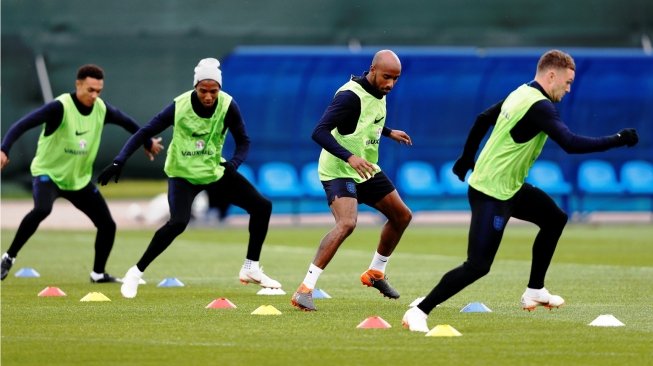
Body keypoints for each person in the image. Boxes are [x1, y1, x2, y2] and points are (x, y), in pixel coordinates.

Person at [402, 49, 639, 332]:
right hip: (491, 192)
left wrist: (467, 158)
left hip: (509, 187)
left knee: (555, 219)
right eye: (568, 82)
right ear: (552, 75)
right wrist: (618, 138)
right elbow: (571, 143)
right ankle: (420, 310)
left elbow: (482, 118)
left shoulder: (520, 93)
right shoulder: (539, 106)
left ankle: (535, 290)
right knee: (478, 266)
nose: (569, 88)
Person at [96, 57, 282, 298]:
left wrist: (234, 164)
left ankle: (251, 268)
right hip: (182, 174)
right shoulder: (179, 105)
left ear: (219, 89)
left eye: (213, 91)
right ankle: (135, 272)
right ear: (195, 87)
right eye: (203, 90)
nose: (208, 96)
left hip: (213, 171)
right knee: (178, 223)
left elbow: (243, 141)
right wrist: (119, 161)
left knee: (262, 207)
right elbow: (145, 132)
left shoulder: (227, 105)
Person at [0, 64, 164, 282]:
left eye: (99, 91)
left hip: (78, 180)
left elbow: (127, 123)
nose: (95, 95)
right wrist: (4, 148)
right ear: (78, 84)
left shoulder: (102, 109)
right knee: (42, 209)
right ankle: (8, 257)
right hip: (48, 174)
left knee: (107, 225)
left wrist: (147, 141)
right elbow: (21, 125)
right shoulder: (59, 107)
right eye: (90, 90)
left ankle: (97, 274)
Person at [291, 50, 413, 311]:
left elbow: (365, 122)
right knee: (347, 223)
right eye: (386, 77)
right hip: (339, 169)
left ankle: (375, 273)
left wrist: (389, 132)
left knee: (402, 216)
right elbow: (319, 132)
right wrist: (349, 158)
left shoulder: (379, 93)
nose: (390, 83)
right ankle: (305, 289)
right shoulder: (349, 96)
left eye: (396, 78)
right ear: (372, 69)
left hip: (365, 168)